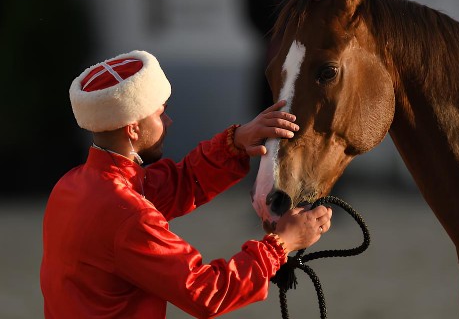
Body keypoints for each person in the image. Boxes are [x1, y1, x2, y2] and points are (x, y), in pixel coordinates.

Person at [40, 50, 333, 318]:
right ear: (133, 129)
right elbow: (206, 292)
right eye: (159, 113)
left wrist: (236, 143)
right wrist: (282, 244)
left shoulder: (71, 186)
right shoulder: (129, 215)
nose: (168, 121)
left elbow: (179, 183)